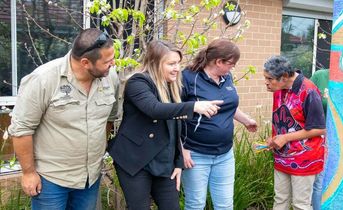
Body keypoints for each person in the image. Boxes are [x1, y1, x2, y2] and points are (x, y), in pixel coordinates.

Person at [8, 28, 118, 209]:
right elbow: (21, 130)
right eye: (107, 61)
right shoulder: (43, 79)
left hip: (90, 179)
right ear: (85, 62)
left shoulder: (109, 77)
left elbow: (108, 120)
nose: (113, 64)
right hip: (52, 179)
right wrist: (28, 173)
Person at [107, 40, 223, 210]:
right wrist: (194, 106)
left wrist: (178, 162)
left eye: (178, 63)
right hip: (135, 161)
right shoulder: (138, 82)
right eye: (171, 64)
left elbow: (175, 129)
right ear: (155, 63)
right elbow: (154, 109)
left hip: (164, 162)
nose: (177, 68)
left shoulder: (172, 86)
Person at [181, 39, 258, 210]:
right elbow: (176, 113)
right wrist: (182, 148)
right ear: (218, 62)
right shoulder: (188, 77)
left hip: (225, 154)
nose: (233, 67)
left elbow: (228, 106)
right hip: (195, 154)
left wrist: (246, 120)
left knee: (225, 205)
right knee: (195, 204)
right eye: (231, 63)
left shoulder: (226, 77)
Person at [263, 55, 326, 210]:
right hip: (282, 157)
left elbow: (320, 128)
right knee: (280, 200)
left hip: (305, 159)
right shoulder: (279, 89)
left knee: (300, 205)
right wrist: (274, 139)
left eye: (269, 78)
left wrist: (285, 137)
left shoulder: (309, 91)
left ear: (284, 77)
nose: (266, 82)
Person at [309, 69, 329, 210]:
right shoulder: (320, 76)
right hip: (318, 135)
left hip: (340, 138)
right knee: (319, 180)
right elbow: (304, 99)